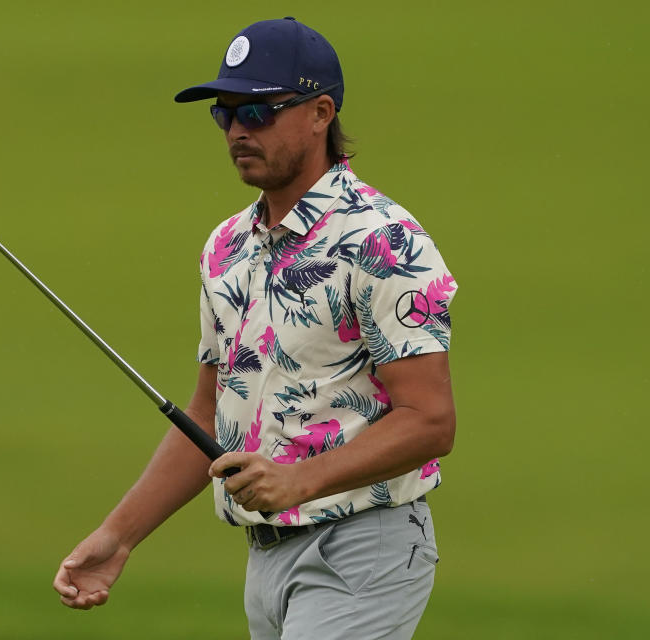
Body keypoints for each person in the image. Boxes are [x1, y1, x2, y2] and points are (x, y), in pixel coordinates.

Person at [54, 17, 457, 639]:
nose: (240, 129)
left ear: (322, 112)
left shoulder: (384, 240)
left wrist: (298, 481)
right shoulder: (226, 248)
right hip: (265, 560)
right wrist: (119, 536)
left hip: (364, 550)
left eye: (260, 112)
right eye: (226, 114)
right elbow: (209, 413)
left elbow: (431, 420)